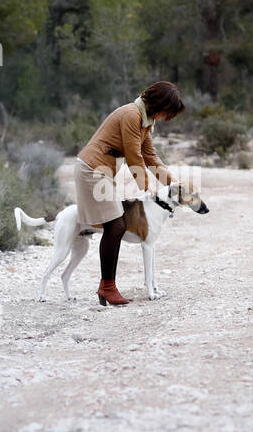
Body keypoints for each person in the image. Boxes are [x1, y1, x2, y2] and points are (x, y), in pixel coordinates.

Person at [75, 82, 185, 306]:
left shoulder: (145, 121)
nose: (166, 118)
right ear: (160, 105)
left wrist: (174, 183)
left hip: (102, 172)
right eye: (168, 112)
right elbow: (135, 159)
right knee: (116, 225)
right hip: (92, 170)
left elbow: (151, 158)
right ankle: (107, 288)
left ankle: (107, 287)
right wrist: (148, 187)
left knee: (115, 224)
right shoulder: (131, 115)